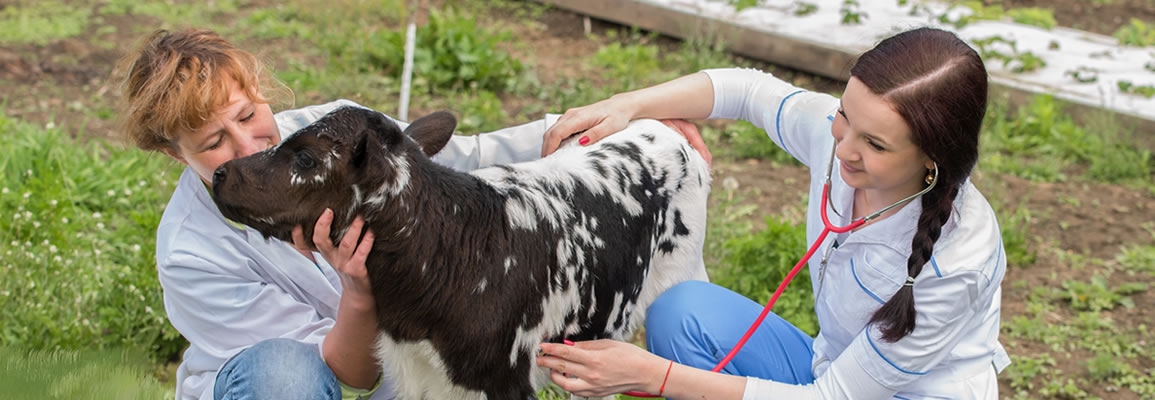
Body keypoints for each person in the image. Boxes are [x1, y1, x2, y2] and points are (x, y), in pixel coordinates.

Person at [535, 27, 1010, 399]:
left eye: (875, 144)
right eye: (846, 116)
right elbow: (746, 91)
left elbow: (833, 397)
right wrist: (628, 106)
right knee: (683, 314)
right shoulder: (841, 139)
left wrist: (655, 376)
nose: (842, 148)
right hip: (830, 370)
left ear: (933, 158)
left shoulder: (957, 264)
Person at [116, 28, 560, 400]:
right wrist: (359, 293)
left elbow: (464, 161)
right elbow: (346, 376)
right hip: (293, 386)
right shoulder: (191, 253)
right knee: (284, 375)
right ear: (175, 154)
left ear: (260, 91)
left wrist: (574, 127)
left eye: (249, 115)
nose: (250, 147)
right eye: (214, 144)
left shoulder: (338, 133)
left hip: (401, 377)